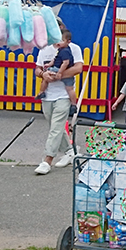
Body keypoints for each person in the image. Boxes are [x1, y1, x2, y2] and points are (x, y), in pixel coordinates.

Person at [34, 29, 83, 174]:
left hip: (63, 94)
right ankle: (70, 151)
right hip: (48, 95)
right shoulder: (44, 48)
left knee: (56, 128)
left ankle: (47, 160)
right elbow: (37, 69)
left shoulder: (73, 48)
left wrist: (58, 76)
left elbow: (79, 68)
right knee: (55, 127)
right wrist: (43, 74)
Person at [36, 30, 76, 104]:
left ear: (68, 42)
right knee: (70, 89)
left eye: (61, 41)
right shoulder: (60, 49)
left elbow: (65, 63)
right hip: (49, 97)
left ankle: (41, 92)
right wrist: (49, 64)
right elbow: (55, 59)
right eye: (58, 40)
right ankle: (74, 104)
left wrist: (60, 72)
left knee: (47, 75)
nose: (58, 42)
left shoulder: (65, 51)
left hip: (58, 69)